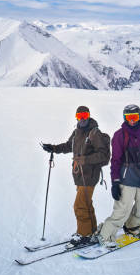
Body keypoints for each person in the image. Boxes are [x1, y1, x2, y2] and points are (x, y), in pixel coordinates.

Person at [42, 105, 110, 249]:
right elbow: (68, 146)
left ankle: (84, 235)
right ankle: (90, 231)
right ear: (76, 118)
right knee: (86, 204)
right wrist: (53, 148)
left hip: (89, 176)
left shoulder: (94, 133)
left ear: (89, 115)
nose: (82, 118)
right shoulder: (76, 132)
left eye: (85, 115)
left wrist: (85, 160)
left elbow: (104, 155)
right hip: (79, 175)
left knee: (79, 205)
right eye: (79, 116)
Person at [96, 104, 140, 249]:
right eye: (128, 117)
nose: (132, 120)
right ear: (124, 118)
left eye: (134, 117)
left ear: (139, 116)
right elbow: (115, 161)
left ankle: (132, 228)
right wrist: (115, 182)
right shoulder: (119, 135)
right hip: (126, 178)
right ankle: (105, 235)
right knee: (123, 209)